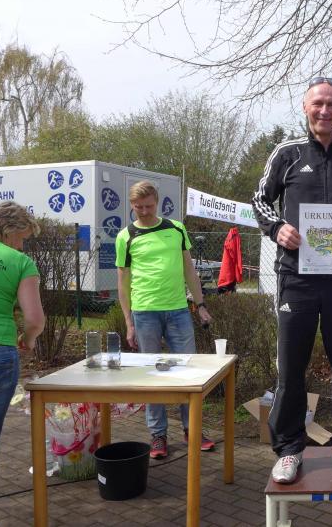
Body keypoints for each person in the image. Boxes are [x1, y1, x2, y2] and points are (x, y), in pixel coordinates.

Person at [252, 77, 332, 483]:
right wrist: (277, 229)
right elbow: (259, 200)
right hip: (296, 279)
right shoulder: (286, 153)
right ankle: (289, 450)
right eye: (317, 103)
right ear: (305, 107)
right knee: (291, 368)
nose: (325, 110)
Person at [115, 181, 214, 459]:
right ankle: (158, 434)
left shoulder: (176, 229)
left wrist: (200, 304)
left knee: (188, 372)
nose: (144, 211)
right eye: (138, 207)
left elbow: (189, 270)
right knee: (152, 375)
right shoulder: (126, 236)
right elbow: (123, 282)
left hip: (178, 311)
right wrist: (128, 322)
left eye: (148, 206)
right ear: (132, 205)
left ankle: (192, 428)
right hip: (144, 312)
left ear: (157, 202)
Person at [0, 202, 44, 470]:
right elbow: (35, 320)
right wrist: (28, 338)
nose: (22, 246)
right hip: (0, 352)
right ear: (9, 230)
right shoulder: (21, 262)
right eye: (22, 238)